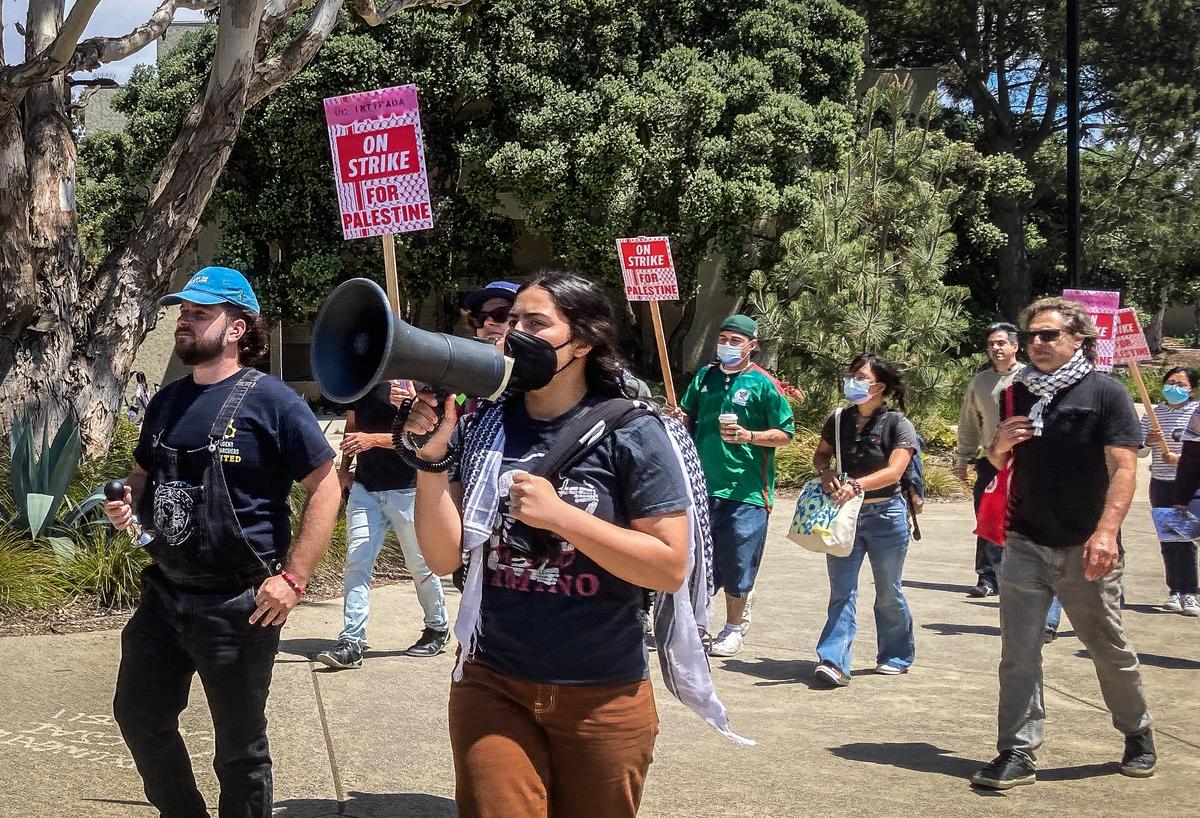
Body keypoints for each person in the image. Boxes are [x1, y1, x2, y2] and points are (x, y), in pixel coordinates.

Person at [403, 271, 692, 818]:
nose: (515, 334)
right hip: (492, 683)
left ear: (582, 341)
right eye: (512, 322)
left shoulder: (632, 431)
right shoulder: (485, 424)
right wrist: (431, 463)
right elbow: (444, 558)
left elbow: (668, 567)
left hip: (602, 693)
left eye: (537, 323)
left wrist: (563, 518)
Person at [103, 266, 340, 817]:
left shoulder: (273, 402)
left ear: (236, 328)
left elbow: (326, 485)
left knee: (240, 752)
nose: (185, 322)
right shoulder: (166, 402)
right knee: (139, 716)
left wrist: (294, 580)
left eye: (199, 314)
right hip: (164, 595)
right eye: (184, 312)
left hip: (240, 605)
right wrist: (128, 501)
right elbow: (144, 474)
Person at [970, 296, 1155, 790]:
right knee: (1018, 652)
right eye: (1032, 335)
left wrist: (1107, 532)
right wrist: (999, 446)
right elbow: (995, 464)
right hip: (1025, 540)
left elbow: (1124, 468)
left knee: (1106, 646)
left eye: (1049, 335)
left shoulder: (1105, 393)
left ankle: (1137, 731)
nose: (1037, 343)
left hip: (1085, 544)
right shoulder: (1016, 394)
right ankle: (1016, 750)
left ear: (1078, 339)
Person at [676, 315, 795, 657]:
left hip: (746, 492)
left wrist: (750, 436)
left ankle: (733, 627)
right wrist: (676, 420)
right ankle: (696, 624)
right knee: (697, 562)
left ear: (751, 345)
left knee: (738, 562)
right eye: (723, 337)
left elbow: (786, 434)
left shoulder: (763, 384)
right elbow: (688, 415)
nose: (727, 345)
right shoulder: (705, 377)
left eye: (735, 340)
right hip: (701, 487)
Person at [315, 380, 451, 670]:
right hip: (365, 489)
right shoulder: (361, 383)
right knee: (357, 563)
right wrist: (343, 471)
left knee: (420, 564)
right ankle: (352, 641)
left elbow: (422, 438)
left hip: (408, 490)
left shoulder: (418, 385)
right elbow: (353, 427)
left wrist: (375, 438)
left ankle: (437, 628)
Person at [810, 353, 918, 687]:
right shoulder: (839, 418)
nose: (852, 381)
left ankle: (896, 655)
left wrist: (857, 485)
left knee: (888, 589)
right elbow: (822, 453)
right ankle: (833, 660)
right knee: (842, 590)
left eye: (860, 376)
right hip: (844, 517)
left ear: (880, 386)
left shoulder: (898, 423)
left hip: (886, 515)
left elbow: (895, 470)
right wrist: (826, 471)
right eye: (851, 375)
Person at [956, 323, 1022, 597]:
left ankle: (1019, 576)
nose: (996, 348)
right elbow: (969, 421)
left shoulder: (1031, 377)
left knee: (1021, 522)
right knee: (987, 517)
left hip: (1025, 462)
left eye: (1001, 343)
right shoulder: (980, 382)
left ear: (1015, 346)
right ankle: (987, 578)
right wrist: (963, 457)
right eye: (992, 344)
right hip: (991, 461)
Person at [1140, 367, 1200, 616]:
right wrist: (1149, 441)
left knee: (1187, 539)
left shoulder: (1194, 413)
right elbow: (1139, 451)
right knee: (1169, 538)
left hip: (1189, 486)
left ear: (1192, 389)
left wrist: (1181, 460)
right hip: (1161, 484)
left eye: (1181, 384)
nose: (1173, 388)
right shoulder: (1153, 415)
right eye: (1170, 382)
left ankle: (1190, 593)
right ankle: (1175, 590)